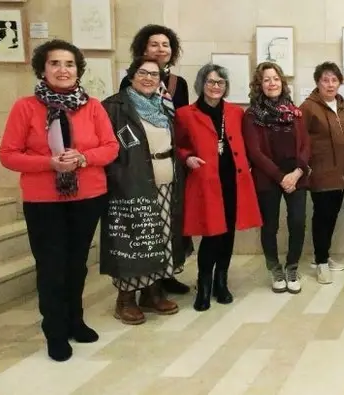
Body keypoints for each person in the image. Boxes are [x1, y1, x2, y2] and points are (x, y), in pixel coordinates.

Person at [0, 39, 119, 361]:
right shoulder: (26, 107)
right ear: (43, 68)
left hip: (88, 195)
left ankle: (75, 321)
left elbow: (110, 147)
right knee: (51, 266)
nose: (63, 70)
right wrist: (48, 163)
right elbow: (8, 154)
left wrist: (82, 158)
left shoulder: (92, 106)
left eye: (69, 64)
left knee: (76, 263)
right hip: (44, 200)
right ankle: (55, 330)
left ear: (78, 70)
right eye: (55, 63)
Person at [100, 57, 185, 325]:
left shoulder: (163, 107)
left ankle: (152, 292)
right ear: (131, 75)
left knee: (159, 238)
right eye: (143, 73)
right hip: (130, 184)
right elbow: (107, 147)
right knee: (133, 240)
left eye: (154, 74)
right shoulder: (114, 107)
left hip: (165, 184)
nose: (149, 78)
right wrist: (118, 178)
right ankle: (126, 299)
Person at [175, 63, 262, 312]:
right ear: (202, 84)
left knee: (228, 236)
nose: (215, 87)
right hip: (206, 182)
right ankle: (203, 286)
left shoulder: (235, 113)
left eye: (220, 83)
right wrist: (187, 157)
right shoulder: (185, 114)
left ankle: (221, 282)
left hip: (233, 181)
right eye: (211, 82)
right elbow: (179, 146)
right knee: (212, 235)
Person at [120, 25, 194, 296]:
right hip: (140, 167)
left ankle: (166, 276)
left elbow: (183, 123)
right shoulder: (130, 84)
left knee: (170, 224)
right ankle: (138, 288)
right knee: (145, 229)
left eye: (166, 45)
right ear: (143, 49)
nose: (160, 49)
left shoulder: (178, 84)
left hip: (171, 163)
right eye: (154, 44)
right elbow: (125, 127)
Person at [243, 62, 310, 294]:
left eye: (276, 79)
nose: (272, 83)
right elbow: (255, 152)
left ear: (282, 82)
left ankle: (292, 267)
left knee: (298, 223)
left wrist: (298, 172)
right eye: (266, 80)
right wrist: (282, 177)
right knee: (269, 226)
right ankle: (275, 268)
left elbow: (305, 145)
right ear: (259, 85)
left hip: (296, 175)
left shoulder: (295, 111)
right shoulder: (252, 115)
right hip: (268, 177)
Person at [299, 61, 344, 281]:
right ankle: (320, 263)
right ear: (317, 82)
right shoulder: (308, 107)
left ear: (339, 82)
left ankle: (323, 254)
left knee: (332, 217)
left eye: (334, 80)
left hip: (341, 173)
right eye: (325, 80)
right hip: (320, 173)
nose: (330, 84)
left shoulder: (343, 105)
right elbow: (300, 140)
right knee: (321, 217)